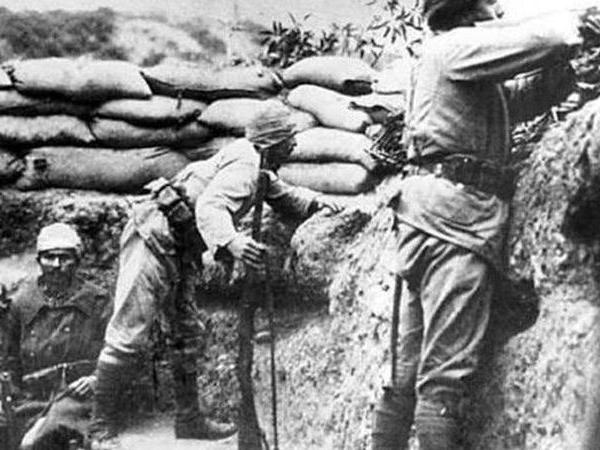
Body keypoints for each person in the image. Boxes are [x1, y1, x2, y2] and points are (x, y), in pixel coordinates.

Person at [370, 1, 600, 449]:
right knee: (443, 383)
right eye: (490, 5)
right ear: (468, 12)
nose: (499, 11)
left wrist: (571, 72)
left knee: (403, 377)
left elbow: (517, 100)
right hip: (456, 222)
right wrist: (584, 21)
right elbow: (550, 37)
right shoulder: (457, 47)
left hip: (429, 217)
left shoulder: (453, 62)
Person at [89, 101, 342, 449]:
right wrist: (233, 241)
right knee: (129, 331)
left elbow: (284, 196)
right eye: (290, 138)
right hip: (153, 236)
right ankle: (99, 427)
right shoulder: (246, 166)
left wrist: (317, 202)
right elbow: (210, 206)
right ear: (272, 142)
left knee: (186, 332)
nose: (295, 145)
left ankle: (188, 419)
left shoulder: (259, 169)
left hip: (180, 246)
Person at [0, 222, 112, 449]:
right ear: (39, 260)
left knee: (35, 441)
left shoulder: (97, 301)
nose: (56, 265)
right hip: (30, 397)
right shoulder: (22, 302)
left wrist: (96, 379)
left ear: (77, 260)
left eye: (64, 257)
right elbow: (9, 359)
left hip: (78, 398)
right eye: (49, 257)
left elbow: (117, 353)